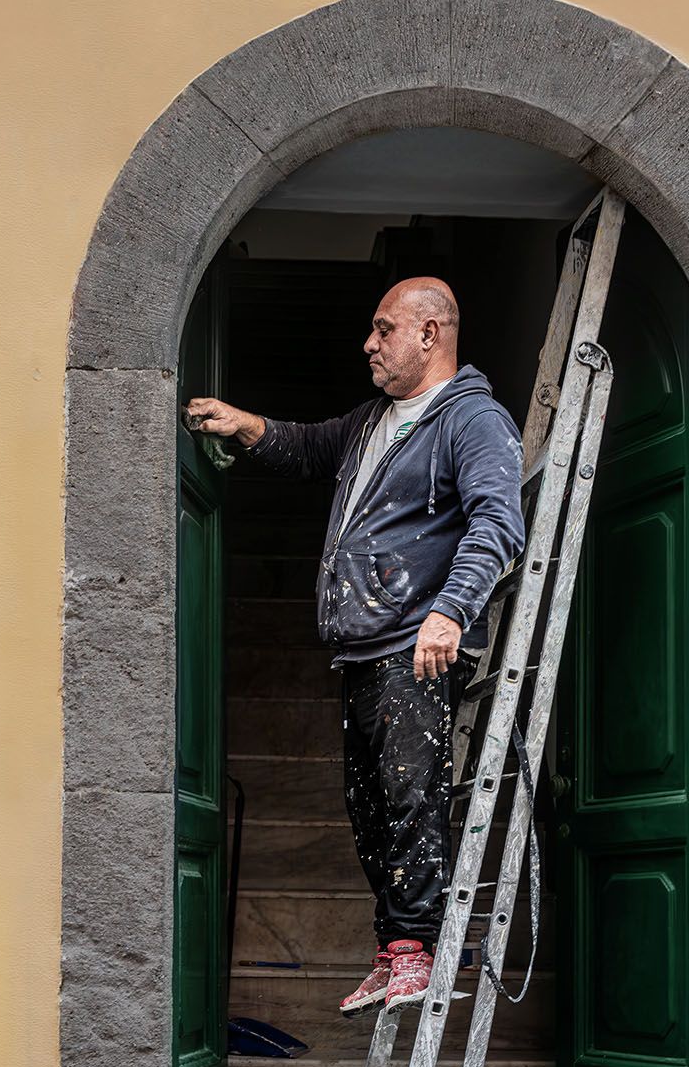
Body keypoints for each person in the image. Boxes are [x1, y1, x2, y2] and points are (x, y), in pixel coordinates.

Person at [184, 278, 525, 1013]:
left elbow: (498, 523)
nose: (369, 345)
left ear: (429, 335)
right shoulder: (376, 419)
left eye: (383, 330)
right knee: (367, 806)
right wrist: (243, 424)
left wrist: (451, 612)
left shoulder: (472, 421)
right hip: (365, 650)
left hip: (416, 644)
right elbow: (307, 448)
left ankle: (418, 950)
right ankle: (396, 948)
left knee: (410, 798)